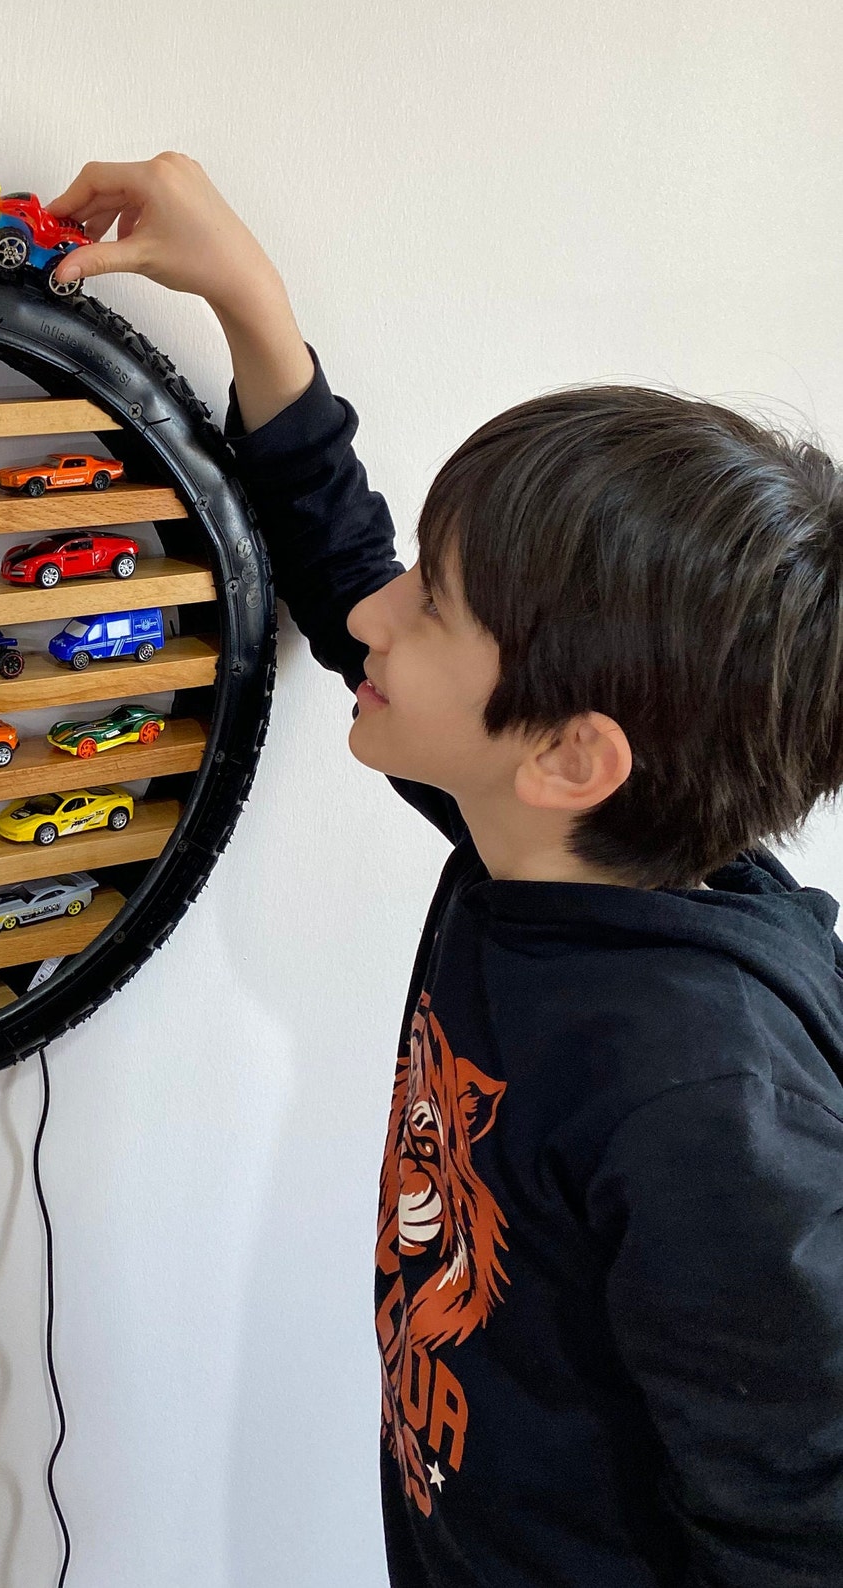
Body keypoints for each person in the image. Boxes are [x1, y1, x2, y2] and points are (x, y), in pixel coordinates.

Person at [46, 154, 843, 1586]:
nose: (381, 618)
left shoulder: (709, 1101)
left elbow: (799, 1527)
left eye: (434, 605)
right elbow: (337, 563)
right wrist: (248, 299)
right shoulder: (543, 844)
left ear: (572, 756)